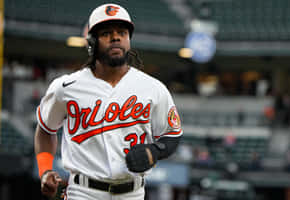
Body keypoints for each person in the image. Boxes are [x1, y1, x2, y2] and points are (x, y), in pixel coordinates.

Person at [34, 3, 183, 200]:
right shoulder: (66, 87)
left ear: (129, 40)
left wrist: (154, 151)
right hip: (84, 192)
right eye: (106, 33)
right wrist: (45, 170)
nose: (115, 37)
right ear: (92, 42)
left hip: (133, 194)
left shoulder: (153, 88)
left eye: (122, 32)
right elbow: (45, 129)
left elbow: (172, 134)